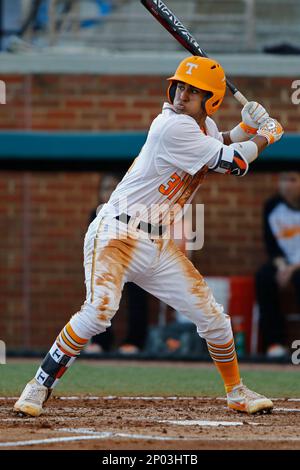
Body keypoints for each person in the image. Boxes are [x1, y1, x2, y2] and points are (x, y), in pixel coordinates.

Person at [14, 55, 284, 417]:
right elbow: (231, 163)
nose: (182, 94)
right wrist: (267, 134)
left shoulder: (197, 128)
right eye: (181, 86)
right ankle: (38, 386)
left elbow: (216, 142)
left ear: (211, 100)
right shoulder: (171, 126)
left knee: (214, 318)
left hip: (155, 243)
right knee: (99, 312)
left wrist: (244, 130)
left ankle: (236, 391)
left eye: (194, 90)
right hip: (117, 233)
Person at [84, 172, 149, 354]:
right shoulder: (97, 213)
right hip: (107, 262)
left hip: (132, 260)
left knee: (137, 292)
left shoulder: (135, 212)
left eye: (114, 188)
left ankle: (135, 340)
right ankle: (100, 339)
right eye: (106, 189)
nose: (110, 193)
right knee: (99, 294)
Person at [256, 172, 300, 358]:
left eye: (292, 180)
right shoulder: (272, 206)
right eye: (283, 180)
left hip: (298, 266)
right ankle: (275, 343)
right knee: (264, 278)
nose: (286, 185)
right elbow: (271, 244)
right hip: (284, 262)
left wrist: (293, 268)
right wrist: (282, 266)